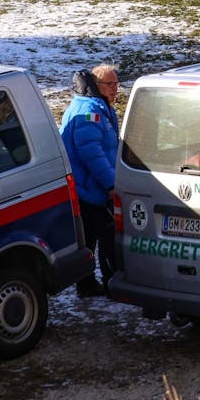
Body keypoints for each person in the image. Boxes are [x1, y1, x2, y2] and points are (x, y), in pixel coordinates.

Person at [59, 63, 121, 296]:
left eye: (116, 83)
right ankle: (106, 281)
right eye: (110, 84)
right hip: (90, 189)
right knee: (101, 236)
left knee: (91, 237)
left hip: (90, 187)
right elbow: (91, 153)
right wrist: (111, 184)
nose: (115, 88)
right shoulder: (89, 113)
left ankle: (89, 283)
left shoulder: (96, 107)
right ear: (96, 85)